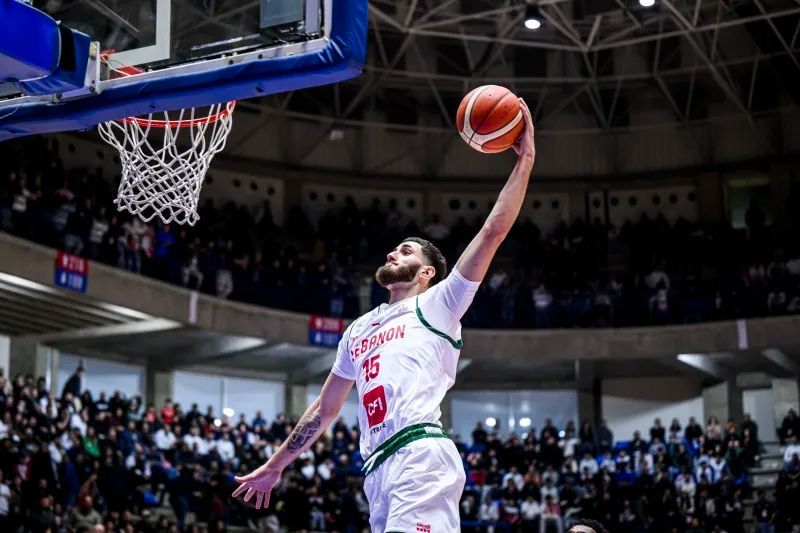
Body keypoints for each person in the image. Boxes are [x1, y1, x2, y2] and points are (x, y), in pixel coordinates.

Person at [232, 100, 537, 532]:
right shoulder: (358, 330)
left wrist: (525, 160)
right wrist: (275, 465)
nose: (393, 253)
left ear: (427, 273)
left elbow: (492, 231)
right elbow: (323, 410)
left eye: (406, 251)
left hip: (419, 455)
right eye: (394, 249)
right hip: (377, 470)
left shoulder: (439, 304)